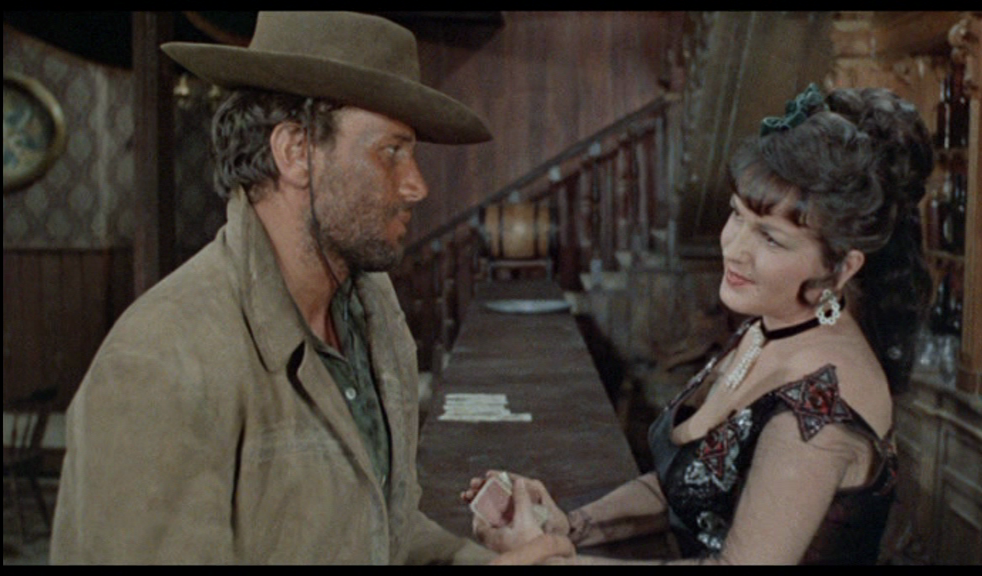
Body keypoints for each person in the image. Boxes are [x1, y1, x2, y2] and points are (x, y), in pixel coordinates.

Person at [50, 11, 498, 565]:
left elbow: (377, 527)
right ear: (294, 151)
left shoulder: (370, 314)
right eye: (391, 151)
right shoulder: (161, 360)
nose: (416, 185)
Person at [462, 83, 934, 565]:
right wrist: (568, 524)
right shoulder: (771, 327)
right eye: (737, 215)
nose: (735, 248)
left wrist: (552, 560)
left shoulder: (819, 406)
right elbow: (688, 484)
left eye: (771, 238)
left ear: (842, 267)